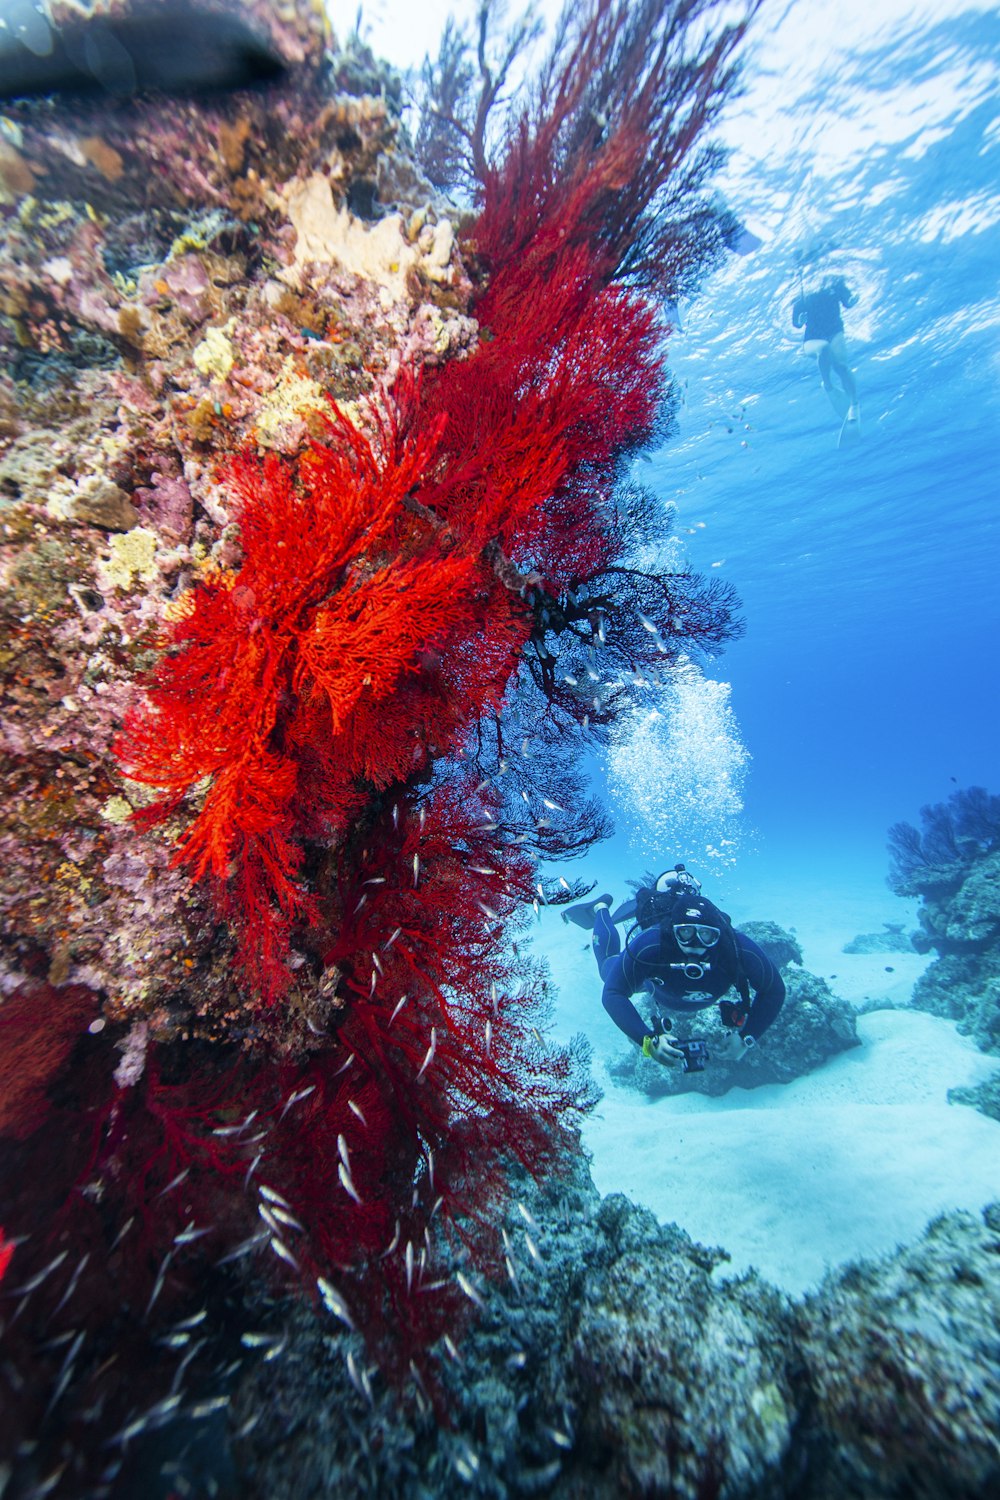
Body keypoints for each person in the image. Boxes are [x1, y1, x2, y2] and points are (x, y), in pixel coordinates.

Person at [563, 865, 785, 1067]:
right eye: (686, 933)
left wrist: (747, 1037)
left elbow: (774, 990)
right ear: (672, 930)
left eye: (707, 935)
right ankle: (600, 909)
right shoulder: (651, 943)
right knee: (607, 970)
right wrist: (648, 1041)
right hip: (653, 983)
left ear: (719, 934)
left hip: (665, 988)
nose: (696, 945)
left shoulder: (735, 947)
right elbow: (612, 993)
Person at [791, 274, 859, 420]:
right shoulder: (803, 297)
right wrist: (799, 321)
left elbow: (847, 301)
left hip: (835, 332)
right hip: (811, 340)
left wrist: (852, 300)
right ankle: (828, 385)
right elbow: (796, 323)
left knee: (841, 366)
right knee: (824, 348)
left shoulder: (836, 285)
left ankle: (854, 405)